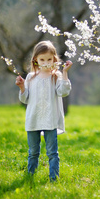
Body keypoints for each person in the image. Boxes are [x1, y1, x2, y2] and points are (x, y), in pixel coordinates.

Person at [15, 40, 72, 182]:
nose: (46, 62)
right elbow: (25, 99)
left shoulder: (56, 76)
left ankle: (54, 178)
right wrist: (22, 87)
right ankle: (30, 176)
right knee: (33, 152)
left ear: (54, 59)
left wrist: (64, 73)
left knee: (52, 152)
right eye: (42, 59)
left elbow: (63, 92)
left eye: (49, 59)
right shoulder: (30, 77)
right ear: (35, 60)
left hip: (50, 119)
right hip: (33, 119)